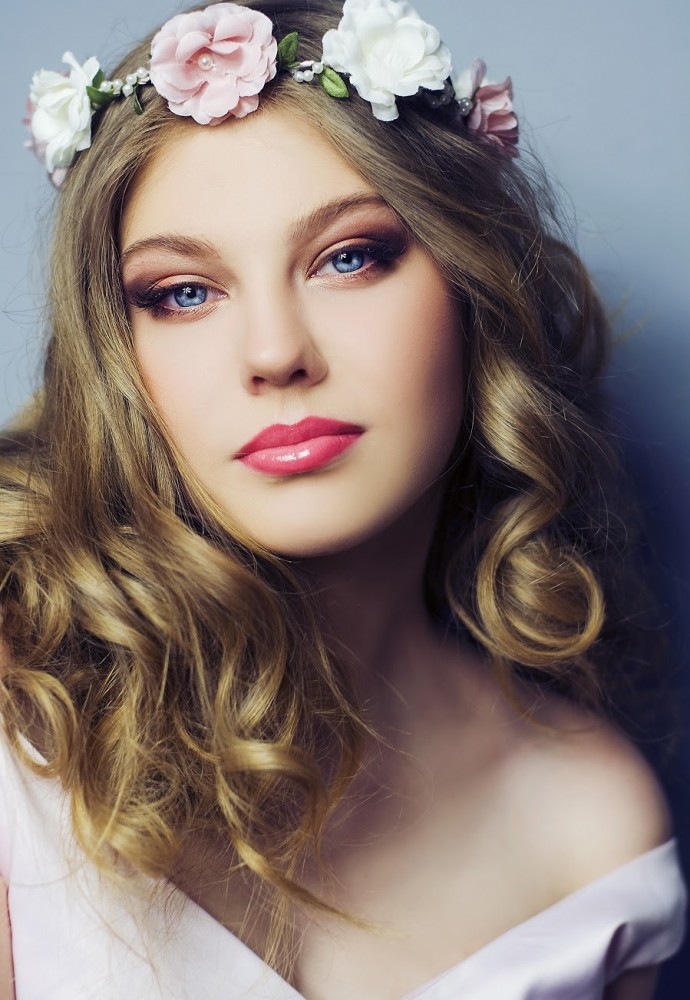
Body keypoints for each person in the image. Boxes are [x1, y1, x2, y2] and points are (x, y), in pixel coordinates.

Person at [0, 0, 685, 997]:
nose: (276, 352)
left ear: (471, 286)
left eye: (349, 257)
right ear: (118, 354)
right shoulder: (19, 716)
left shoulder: (590, 833)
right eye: (183, 292)